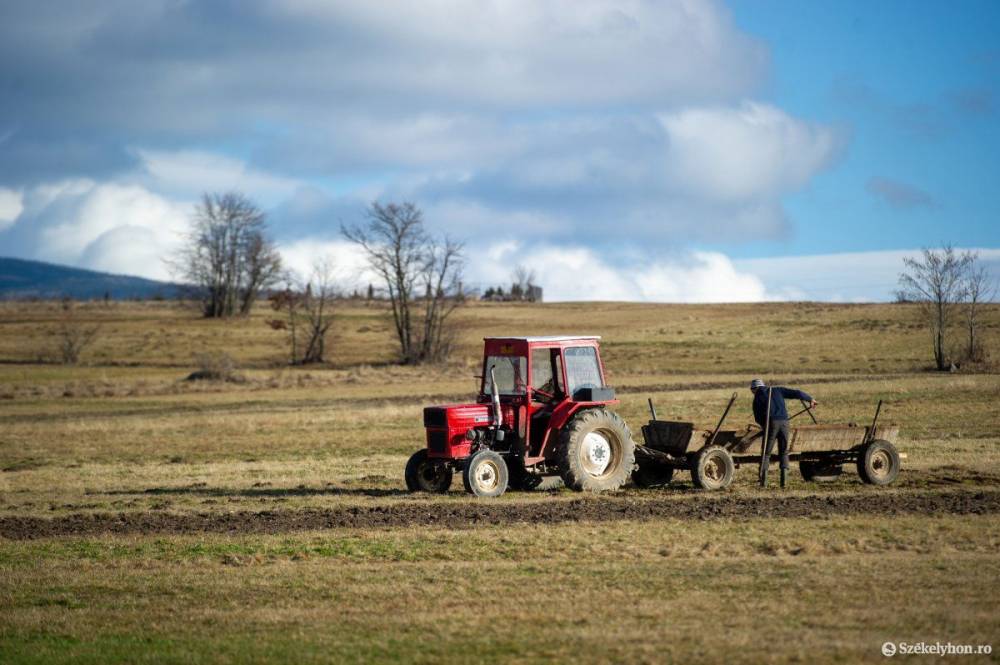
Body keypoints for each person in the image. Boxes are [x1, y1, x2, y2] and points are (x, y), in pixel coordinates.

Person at [750, 378, 817, 488]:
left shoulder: (757, 396)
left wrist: (765, 426)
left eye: (752, 391)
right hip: (785, 423)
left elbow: (758, 417)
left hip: (771, 423)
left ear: (754, 389)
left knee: (766, 453)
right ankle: (784, 483)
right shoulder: (778, 390)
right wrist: (810, 399)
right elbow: (797, 393)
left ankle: (764, 482)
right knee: (784, 451)